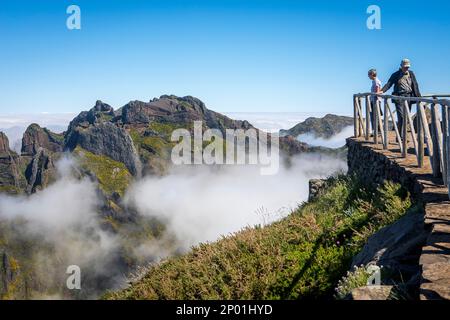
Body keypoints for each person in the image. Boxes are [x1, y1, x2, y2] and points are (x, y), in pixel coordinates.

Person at [381, 58, 421, 133]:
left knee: (407, 117)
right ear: (401, 66)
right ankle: (399, 136)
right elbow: (389, 84)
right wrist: (382, 91)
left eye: (408, 67)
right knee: (401, 117)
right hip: (398, 97)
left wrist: (419, 97)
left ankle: (404, 136)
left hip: (409, 97)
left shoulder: (411, 73)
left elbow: (415, 85)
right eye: (405, 66)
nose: (406, 68)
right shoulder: (396, 74)